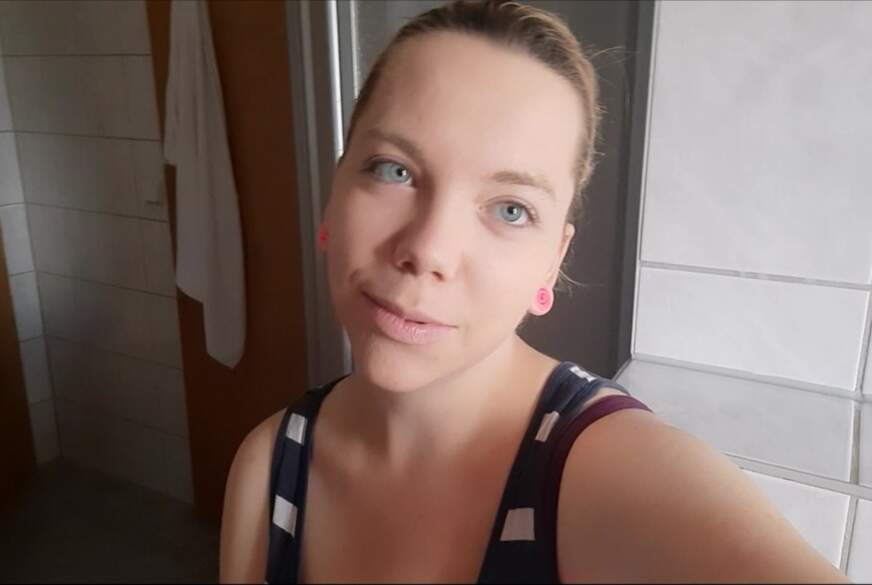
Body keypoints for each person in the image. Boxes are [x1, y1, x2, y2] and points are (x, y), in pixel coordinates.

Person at [219, 1, 850, 582]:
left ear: (552, 264)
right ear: (334, 194)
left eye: (511, 209)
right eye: (395, 170)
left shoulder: (606, 473)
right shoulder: (269, 466)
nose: (429, 250)